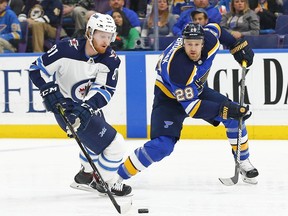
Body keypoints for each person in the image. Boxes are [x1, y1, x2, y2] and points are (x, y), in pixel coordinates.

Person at [117, 23, 259, 186]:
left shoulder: (210, 39)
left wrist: (235, 45)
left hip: (197, 89)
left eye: (197, 44)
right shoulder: (178, 67)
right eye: (189, 44)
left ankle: (243, 162)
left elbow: (216, 28)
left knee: (235, 118)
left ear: (203, 42)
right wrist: (225, 109)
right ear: (183, 42)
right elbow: (192, 108)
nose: (193, 49)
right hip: (168, 99)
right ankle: (118, 176)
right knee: (162, 146)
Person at [28, 12, 132, 196]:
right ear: (89, 33)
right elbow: (36, 69)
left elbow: (105, 89)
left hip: (87, 108)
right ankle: (106, 181)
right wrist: (47, 89)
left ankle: (85, 176)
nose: (106, 41)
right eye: (102, 35)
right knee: (116, 146)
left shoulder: (111, 59)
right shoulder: (65, 49)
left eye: (109, 36)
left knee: (93, 145)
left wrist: (87, 107)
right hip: (65, 109)